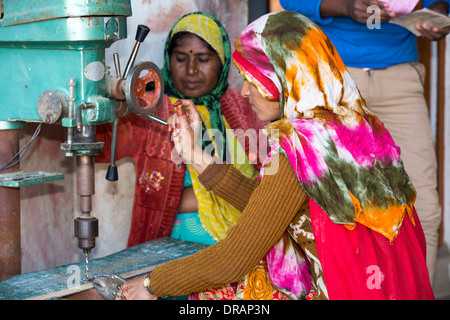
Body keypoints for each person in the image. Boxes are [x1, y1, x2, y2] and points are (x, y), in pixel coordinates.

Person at [116, 11, 434, 300]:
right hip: (383, 287)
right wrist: (196, 155)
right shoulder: (353, 124)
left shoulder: (301, 146)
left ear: (283, 80)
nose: (243, 91)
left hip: (343, 289)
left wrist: (149, 285)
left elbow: (231, 259)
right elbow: (271, 206)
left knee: (215, 294)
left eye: (252, 81)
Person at [279, 0, 450, 286]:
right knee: (333, 209)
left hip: (401, 77)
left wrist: (439, 13)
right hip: (334, 76)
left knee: (425, 208)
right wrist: (342, 7)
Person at [96, 12, 265, 247]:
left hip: (244, 249)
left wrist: (189, 197)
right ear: (168, 58)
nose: (192, 69)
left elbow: (272, 187)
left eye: (204, 58)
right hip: (167, 252)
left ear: (223, 61)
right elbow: (99, 148)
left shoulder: (249, 107)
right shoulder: (149, 111)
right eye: (181, 58)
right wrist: (108, 104)